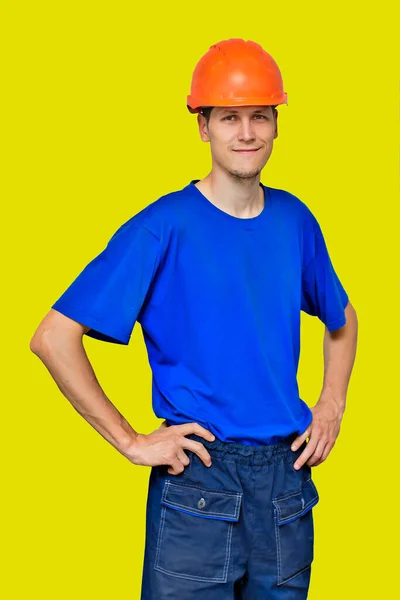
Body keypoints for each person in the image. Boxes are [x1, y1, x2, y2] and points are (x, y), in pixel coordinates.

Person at [30, 38, 358, 599]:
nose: (247, 133)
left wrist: (331, 404)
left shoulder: (295, 220)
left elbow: (342, 318)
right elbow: (53, 338)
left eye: (260, 116)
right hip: (200, 483)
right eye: (230, 118)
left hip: (285, 485)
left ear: (277, 124)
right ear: (202, 126)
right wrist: (132, 441)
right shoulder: (163, 226)